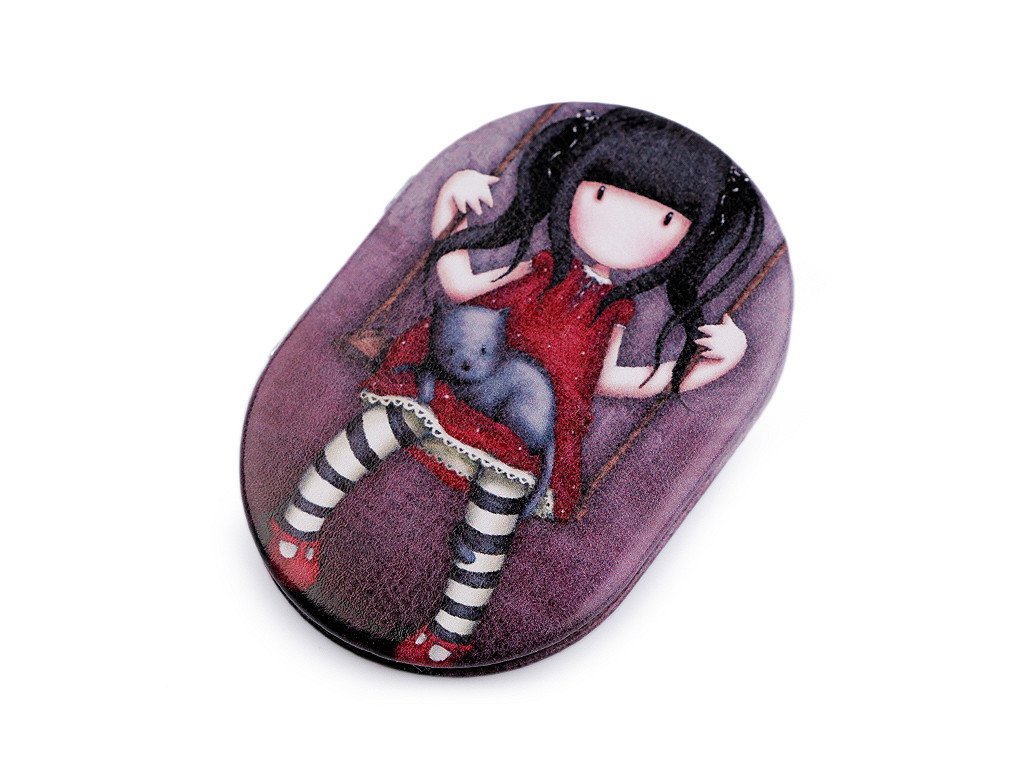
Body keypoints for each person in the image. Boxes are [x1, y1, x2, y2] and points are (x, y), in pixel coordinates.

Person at [267, 107, 764, 666]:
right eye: (601, 195)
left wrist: (715, 365)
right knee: (382, 426)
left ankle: (449, 633)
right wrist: (450, 204)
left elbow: (613, 380)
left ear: (687, 238)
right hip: (460, 382)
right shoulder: (538, 268)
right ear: (573, 186)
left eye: (665, 221)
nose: (623, 226)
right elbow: (460, 284)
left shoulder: (614, 310)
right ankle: (297, 529)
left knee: (491, 522)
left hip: (524, 428)